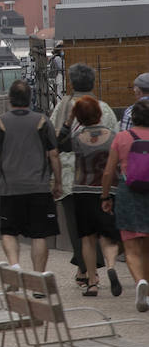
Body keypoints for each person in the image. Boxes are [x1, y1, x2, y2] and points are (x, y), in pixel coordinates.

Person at [0, 79, 61, 274]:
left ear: (10, 99)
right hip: (39, 188)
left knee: (8, 231)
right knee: (39, 235)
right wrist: (57, 182)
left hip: (10, 188)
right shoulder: (42, 121)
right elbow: (54, 154)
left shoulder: (0, 122)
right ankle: (39, 278)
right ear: (30, 98)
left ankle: (14, 264)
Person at [52, 63, 119, 288]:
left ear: (71, 83)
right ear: (92, 82)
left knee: (77, 227)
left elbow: (55, 139)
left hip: (72, 177)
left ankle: (86, 271)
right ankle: (104, 265)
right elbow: (116, 140)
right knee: (104, 225)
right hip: (102, 178)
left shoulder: (62, 107)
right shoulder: (104, 108)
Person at [101, 98, 149, 311]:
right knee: (147, 248)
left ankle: (139, 282)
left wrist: (105, 197)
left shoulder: (122, 137)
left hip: (128, 193)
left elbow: (108, 171)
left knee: (131, 247)